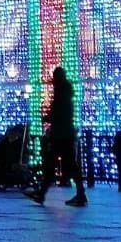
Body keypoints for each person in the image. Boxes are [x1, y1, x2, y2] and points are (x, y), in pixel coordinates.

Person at [26, 66, 87, 206]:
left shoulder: (60, 95)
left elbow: (58, 114)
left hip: (60, 135)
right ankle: (79, 194)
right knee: (69, 165)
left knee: (52, 164)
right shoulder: (66, 94)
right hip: (66, 134)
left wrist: (47, 118)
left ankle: (42, 194)